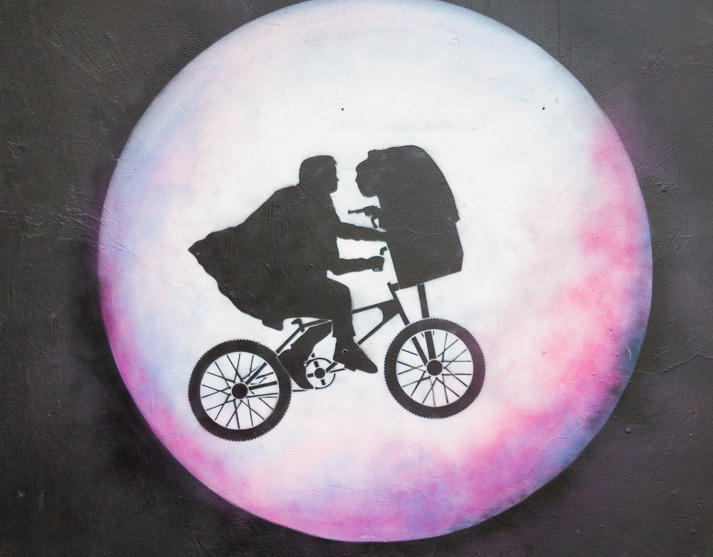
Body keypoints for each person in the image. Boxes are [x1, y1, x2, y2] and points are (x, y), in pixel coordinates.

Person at [189, 155, 384, 389]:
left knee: (332, 310)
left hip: (287, 284)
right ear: (317, 178)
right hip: (268, 289)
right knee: (338, 295)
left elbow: (338, 239)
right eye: (332, 175)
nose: (337, 179)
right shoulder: (296, 203)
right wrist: (374, 253)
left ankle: (296, 356)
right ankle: (345, 350)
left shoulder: (315, 201)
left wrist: (379, 244)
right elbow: (335, 258)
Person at [354, 145, 463, 290]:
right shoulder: (400, 159)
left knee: (412, 268)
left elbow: (409, 216)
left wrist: (382, 217)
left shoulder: (392, 169)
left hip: (431, 240)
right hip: (441, 232)